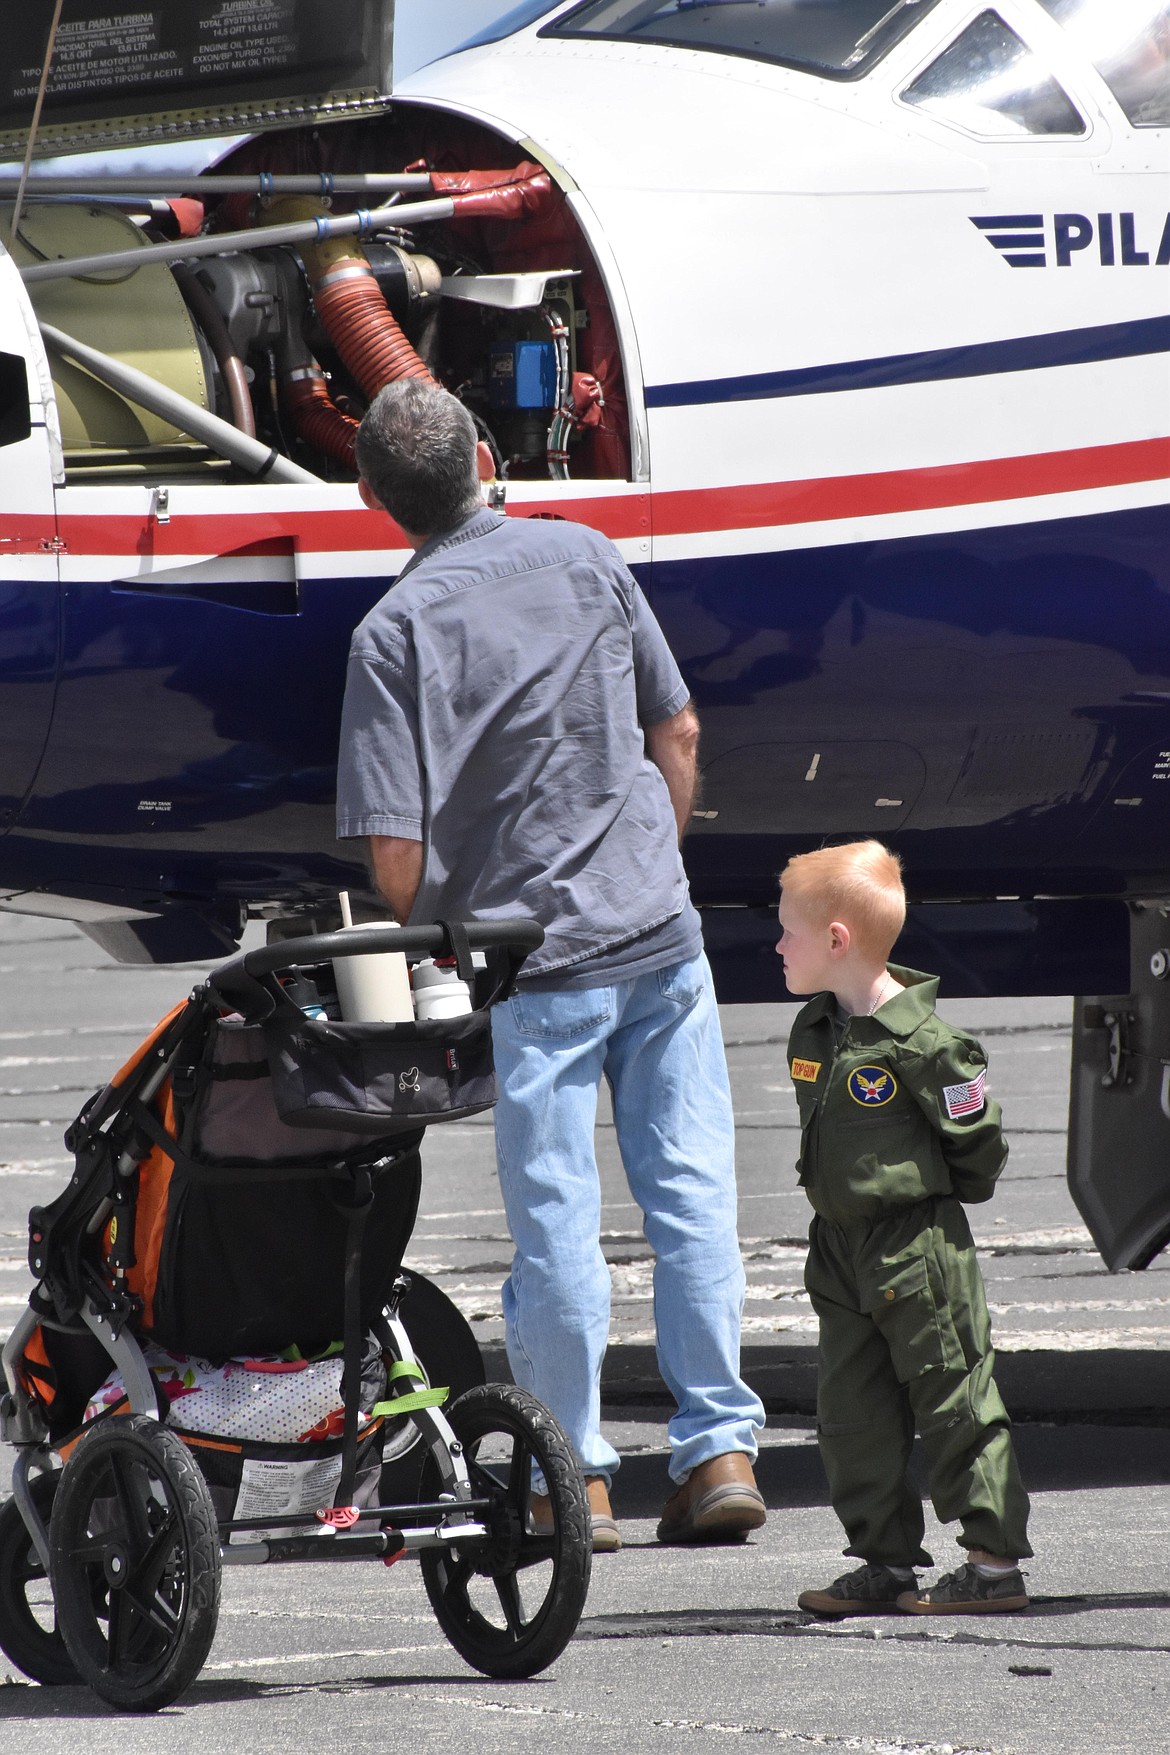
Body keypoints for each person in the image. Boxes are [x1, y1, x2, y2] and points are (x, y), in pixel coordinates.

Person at [335, 379, 765, 1552]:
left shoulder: (393, 634)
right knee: (691, 1200)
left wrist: (458, 920)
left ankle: (569, 1476)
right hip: (658, 935)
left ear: (375, 499)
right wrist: (641, 854)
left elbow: (394, 860)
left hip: (535, 963)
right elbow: (673, 731)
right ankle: (718, 1449)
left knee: (558, 1225)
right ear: (485, 455)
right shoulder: (586, 554)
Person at [776, 840, 1032, 1616]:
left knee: (955, 1400)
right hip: (843, 1250)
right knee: (852, 1415)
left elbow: (977, 1148)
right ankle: (884, 1561)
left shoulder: (928, 1046)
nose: (776, 944)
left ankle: (992, 1565)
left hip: (915, 1247)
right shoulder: (815, 1031)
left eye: (787, 930)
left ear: (836, 941)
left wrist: (927, 1206)